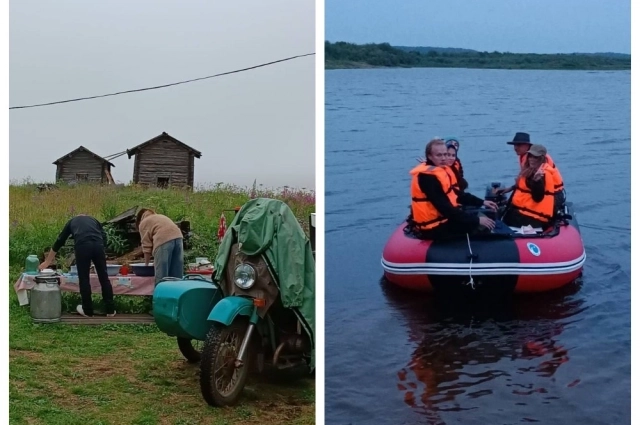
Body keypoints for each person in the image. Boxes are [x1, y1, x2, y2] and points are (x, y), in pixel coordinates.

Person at [408, 138, 497, 239]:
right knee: (481, 225)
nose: (443, 158)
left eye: (445, 154)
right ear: (429, 156)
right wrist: (476, 220)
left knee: (488, 216)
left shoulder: (439, 170)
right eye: (439, 155)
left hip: (443, 219)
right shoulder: (427, 178)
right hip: (434, 227)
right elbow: (445, 208)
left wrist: (482, 202)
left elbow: (455, 194)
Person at [39, 214, 115, 317]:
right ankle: (110, 310)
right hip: (98, 245)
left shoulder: (72, 222)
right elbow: (104, 236)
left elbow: (60, 241)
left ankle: (87, 310)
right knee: (104, 277)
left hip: (83, 246)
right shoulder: (94, 220)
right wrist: (101, 250)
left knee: (84, 278)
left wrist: (47, 262)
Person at [497, 132, 565, 211]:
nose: (515, 148)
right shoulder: (525, 156)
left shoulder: (534, 158)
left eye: (519, 145)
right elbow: (526, 182)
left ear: (527, 145)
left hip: (553, 196)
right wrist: (511, 188)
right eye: (514, 145)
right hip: (545, 192)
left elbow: (534, 183)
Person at [502, 144, 556, 229]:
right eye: (530, 156)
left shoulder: (542, 174)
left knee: (496, 221)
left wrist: (537, 181)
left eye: (535, 157)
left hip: (532, 219)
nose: (531, 159)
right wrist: (512, 188)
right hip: (524, 214)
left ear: (542, 159)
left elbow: (538, 197)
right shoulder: (531, 171)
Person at [136, 208, 184, 284]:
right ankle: (176, 294)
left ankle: (161, 294)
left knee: (162, 276)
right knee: (176, 275)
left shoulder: (143, 223)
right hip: (178, 237)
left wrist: (146, 265)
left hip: (163, 239)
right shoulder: (160, 216)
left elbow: (146, 247)